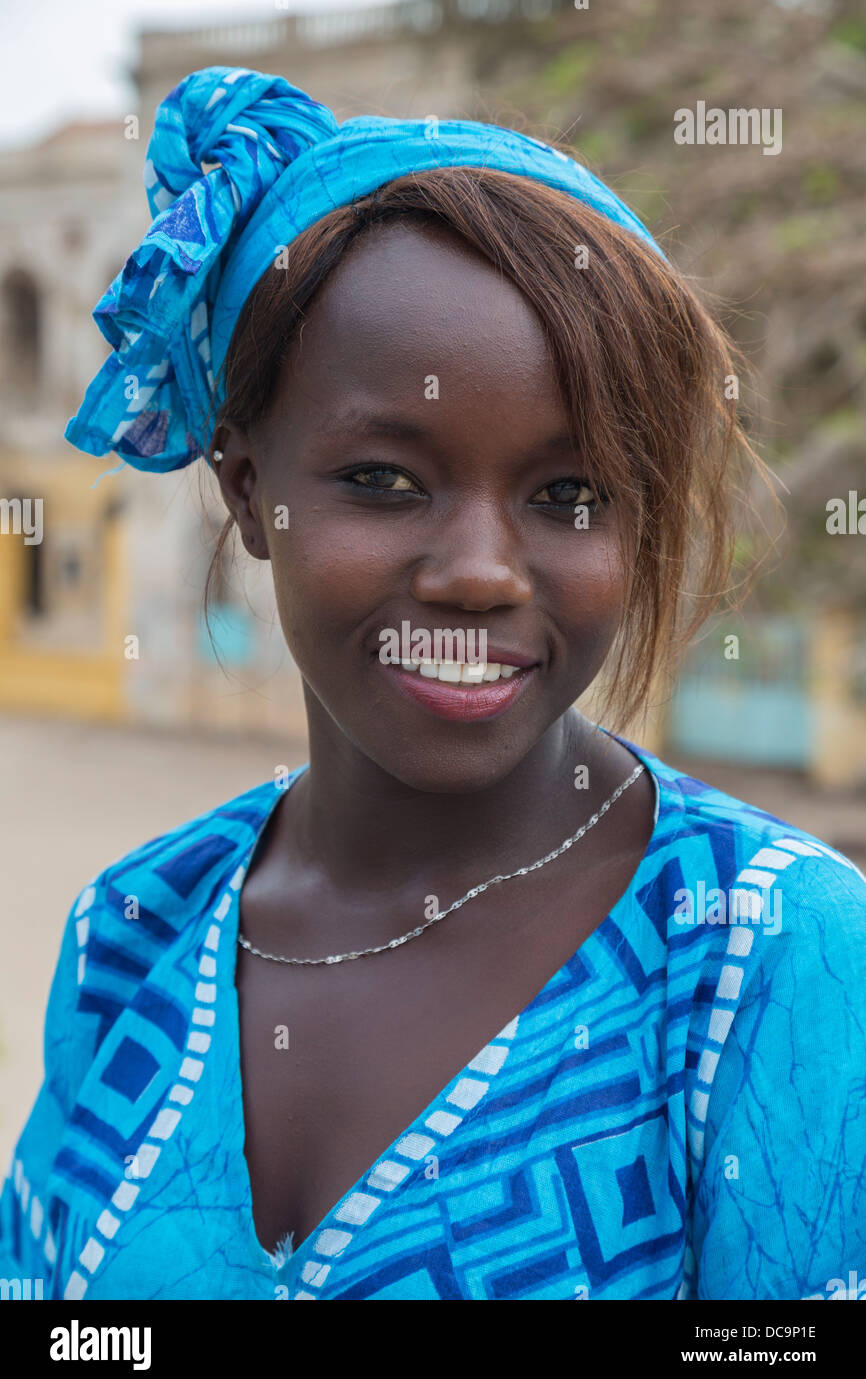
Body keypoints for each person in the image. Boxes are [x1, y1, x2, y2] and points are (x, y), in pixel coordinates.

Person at [2, 66, 865, 1302]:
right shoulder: (131, 934)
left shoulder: (767, 960)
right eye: (383, 481)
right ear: (249, 491)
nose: (477, 573)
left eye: (570, 496)